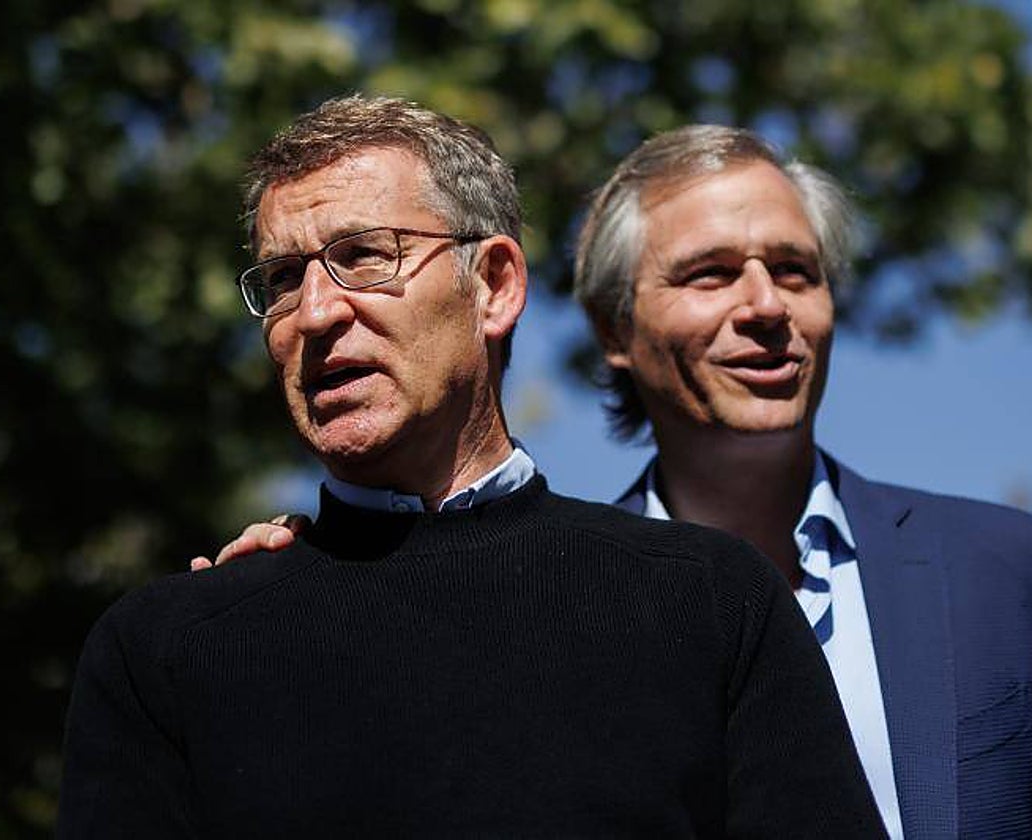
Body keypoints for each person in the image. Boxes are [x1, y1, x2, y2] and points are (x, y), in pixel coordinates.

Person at [60, 97, 884, 837]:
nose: (314, 312)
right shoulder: (166, 650)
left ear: (493, 284)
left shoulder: (712, 602)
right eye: (281, 278)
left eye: (364, 256)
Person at [203, 124, 1032, 839]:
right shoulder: (567, 613)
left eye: (794, 270)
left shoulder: (1007, 571)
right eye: (708, 274)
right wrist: (306, 590)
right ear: (612, 328)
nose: (764, 306)